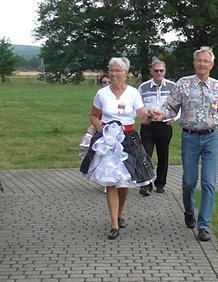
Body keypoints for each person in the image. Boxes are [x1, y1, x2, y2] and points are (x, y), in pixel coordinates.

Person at [149, 46, 218, 242]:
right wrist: (161, 114)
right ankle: (188, 210)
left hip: (212, 137)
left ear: (211, 65)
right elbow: (170, 107)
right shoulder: (183, 84)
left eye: (206, 61)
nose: (202, 64)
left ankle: (204, 226)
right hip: (190, 137)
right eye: (199, 60)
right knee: (189, 182)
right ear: (194, 63)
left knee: (209, 182)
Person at [80, 57, 155, 240]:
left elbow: (142, 117)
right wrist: (99, 127)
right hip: (108, 141)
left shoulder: (133, 93)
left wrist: (150, 116)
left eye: (117, 71)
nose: (113, 74)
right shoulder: (102, 94)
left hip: (128, 138)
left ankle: (120, 213)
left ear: (126, 74)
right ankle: (114, 223)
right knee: (110, 180)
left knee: (124, 180)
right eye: (111, 70)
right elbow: (93, 115)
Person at [138, 59, 178, 196]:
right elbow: (138, 106)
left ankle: (160, 183)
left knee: (163, 155)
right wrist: (145, 115)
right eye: (156, 71)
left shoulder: (173, 86)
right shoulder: (143, 87)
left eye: (161, 70)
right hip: (148, 125)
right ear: (151, 72)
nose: (159, 73)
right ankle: (146, 184)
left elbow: (181, 104)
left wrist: (175, 118)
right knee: (146, 154)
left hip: (164, 125)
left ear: (165, 71)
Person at [79, 74, 111, 193]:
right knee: (101, 155)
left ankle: (112, 181)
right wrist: (95, 126)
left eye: (109, 82)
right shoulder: (97, 98)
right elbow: (94, 115)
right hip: (100, 128)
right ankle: (106, 181)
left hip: (113, 128)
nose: (106, 85)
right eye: (104, 82)